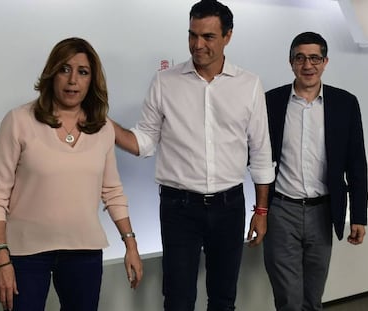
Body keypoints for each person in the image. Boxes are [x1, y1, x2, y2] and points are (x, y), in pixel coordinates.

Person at [112, 1, 275, 310]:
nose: (198, 45)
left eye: (208, 37)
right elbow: (145, 141)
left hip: (230, 206)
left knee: (224, 298)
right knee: (177, 299)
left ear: (228, 36)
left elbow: (262, 153)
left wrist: (262, 211)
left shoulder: (249, 85)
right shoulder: (164, 82)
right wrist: (105, 126)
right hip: (179, 208)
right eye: (192, 35)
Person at [0, 37, 143, 311]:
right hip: (25, 255)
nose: (72, 81)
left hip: (84, 253)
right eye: (64, 69)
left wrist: (131, 245)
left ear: (92, 80)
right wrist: (0, 257)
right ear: (51, 74)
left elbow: (112, 191)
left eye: (83, 72)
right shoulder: (19, 121)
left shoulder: (101, 127)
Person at [263, 31, 368, 311]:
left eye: (314, 58)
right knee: (288, 298)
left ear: (325, 62)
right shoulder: (270, 102)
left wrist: (359, 215)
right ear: (290, 62)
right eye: (300, 58)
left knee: (313, 298)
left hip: (324, 211)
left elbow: (357, 163)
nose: (307, 65)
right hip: (281, 210)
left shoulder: (345, 103)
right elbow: (257, 155)